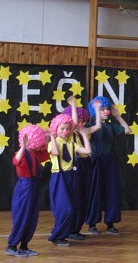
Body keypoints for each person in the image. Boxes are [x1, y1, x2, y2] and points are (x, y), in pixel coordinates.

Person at [86, 96, 131, 235]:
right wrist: (96, 109)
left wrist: (118, 116)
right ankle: (92, 223)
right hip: (95, 161)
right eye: (102, 109)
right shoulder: (90, 126)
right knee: (95, 191)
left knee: (111, 191)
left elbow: (127, 130)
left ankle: (110, 223)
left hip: (109, 161)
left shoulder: (111, 126)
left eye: (107, 109)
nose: (106, 111)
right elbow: (91, 131)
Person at [48, 113, 92, 247]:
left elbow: (88, 151)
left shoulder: (72, 144)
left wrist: (84, 134)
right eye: (62, 129)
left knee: (76, 205)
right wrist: (52, 136)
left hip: (72, 177)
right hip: (59, 177)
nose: (65, 131)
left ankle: (69, 232)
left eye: (67, 129)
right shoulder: (53, 143)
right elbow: (55, 153)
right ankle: (56, 235)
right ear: (56, 129)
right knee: (65, 208)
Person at [6, 124, 49, 257]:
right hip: (25, 187)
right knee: (22, 216)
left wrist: (47, 139)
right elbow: (15, 161)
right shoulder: (23, 154)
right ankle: (12, 246)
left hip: (34, 186)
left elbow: (46, 154)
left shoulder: (35, 154)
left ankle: (24, 245)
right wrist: (23, 147)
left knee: (32, 216)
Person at [62, 97, 101, 241]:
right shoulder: (69, 134)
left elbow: (97, 126)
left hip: (87, 165)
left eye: (81, 119)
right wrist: (73, 105)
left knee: (85, 198)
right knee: (76, 198)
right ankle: (71, 228)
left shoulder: (85, 131)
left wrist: (96, 109)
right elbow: (72, 122)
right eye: (77, 120)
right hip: (76, 167)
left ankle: (76, 228)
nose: (79, 122)